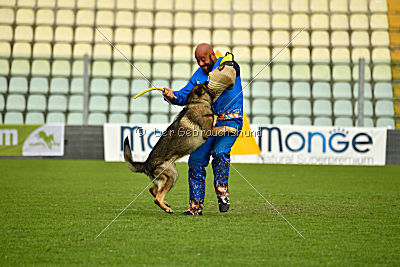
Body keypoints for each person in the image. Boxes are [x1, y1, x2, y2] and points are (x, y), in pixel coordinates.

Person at [163, 43, 243, 215]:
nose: (200, 64)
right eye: (197, 61)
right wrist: (173, 96)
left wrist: (229, 65)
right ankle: (195, 208)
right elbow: (185, 95)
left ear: (213, 55)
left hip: (230, 122)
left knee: (220, 152)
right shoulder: (198, 75)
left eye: (203, 60)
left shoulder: (226, 65)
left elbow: (233, 67)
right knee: (195, 162)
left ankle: (222, 193)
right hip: (206, 126)